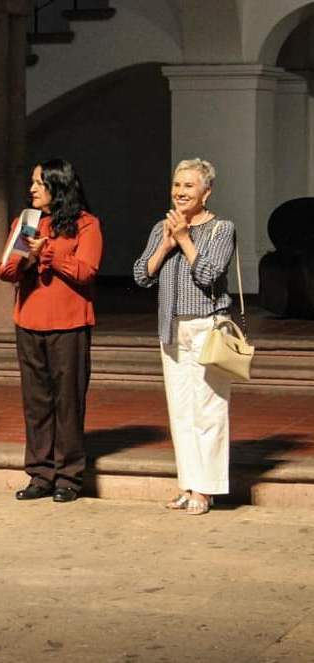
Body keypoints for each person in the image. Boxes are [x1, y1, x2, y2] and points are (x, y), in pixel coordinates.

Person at [133, 158, 235, 516]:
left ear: (206, 192)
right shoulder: (162, 227)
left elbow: (208, 273)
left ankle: (206, 490)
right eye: (177, 185)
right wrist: (164, 244)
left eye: (189, 186)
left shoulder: (221, 229)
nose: (180, 192)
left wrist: (184, 239)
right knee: (180, 412)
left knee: (209, 410)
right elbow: (141, 275)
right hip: (172, 328)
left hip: (208, 327)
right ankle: (187, 485)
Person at [0, 158, 102, 503]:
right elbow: (6, 269)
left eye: (39, 184)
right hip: (29, 321)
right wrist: (28, 256)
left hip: (68, 324)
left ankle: (68, 477)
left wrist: (51, 252)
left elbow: (86, 271)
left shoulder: (85, 225)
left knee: (68, 402)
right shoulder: (27, 221)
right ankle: (40, 474)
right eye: (32, 183)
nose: (31, 189)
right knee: (36, 402)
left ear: (58, 186)